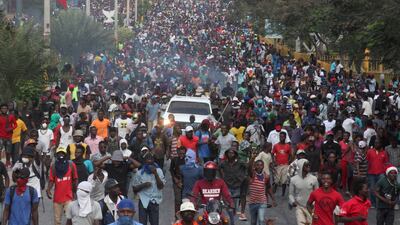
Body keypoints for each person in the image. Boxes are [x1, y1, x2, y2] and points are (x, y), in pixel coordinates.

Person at [132, 151, 166, 225]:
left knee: (154, 223)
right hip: (143, 201)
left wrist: (155, 173)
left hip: (155, 200)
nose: (150, 161)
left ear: (154, 161)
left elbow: (161, 186)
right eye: (147, 159)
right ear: (144, 161)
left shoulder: (159, 171)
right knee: (142, 223)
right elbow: (134, 189)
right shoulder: (139, 173)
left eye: (151, 159)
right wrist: (143, 185)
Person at [47, 146, 78, 225]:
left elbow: (75, 179)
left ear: (65, 154)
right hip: (57, 198)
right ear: (56, 155)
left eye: (62, 153)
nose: (61, 155)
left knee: (70, 218)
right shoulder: (53, 166)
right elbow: (51, 180)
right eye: (59, 153)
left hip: (68, 196)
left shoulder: (71, 164)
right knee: (57, 221)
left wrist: (75, 192)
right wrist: (48, 189)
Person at [247, 152, 276, 225]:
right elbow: (249, 168)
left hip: (262, 202)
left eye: (261, 165)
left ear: (263, 166)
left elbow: (268, 188)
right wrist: (252, 158)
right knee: (253, 222)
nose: (259, 166)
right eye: (257, 165)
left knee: (261, 220)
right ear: (255, 166)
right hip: (252, 202)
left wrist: (273, 199)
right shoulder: (252, 175)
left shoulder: (266, 176)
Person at [288, 159, 318, 225]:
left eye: (309, 165)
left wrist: (315, 204)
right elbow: (290, 194)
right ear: (301, 166)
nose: (308, 167)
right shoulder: (293, 179)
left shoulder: (314, 178)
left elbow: (317, 193)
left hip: (311, 208)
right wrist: (292, 201)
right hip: (299, 207)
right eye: (306, 165)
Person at [366, 139, 389, 207]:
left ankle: (382, 203)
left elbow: (386, 163)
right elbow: (367, 162)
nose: (376, 144)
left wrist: (386, 173)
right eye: (375, 143)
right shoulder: (369, 151)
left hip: (381, 173)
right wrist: (366, 173)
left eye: (378, 143)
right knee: (372, 189)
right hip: (371, 173)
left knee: (382, 189)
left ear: (380, 144)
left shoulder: (384, 153)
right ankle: (373, 203)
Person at [272, 132, 292, 196]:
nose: (282, 138)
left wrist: (289, 161)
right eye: (280, 136)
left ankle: (283, 194)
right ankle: (273, 193)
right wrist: (274, 161)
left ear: (285, 137)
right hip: (278, 165)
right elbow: (272, 154)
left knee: (284, 180)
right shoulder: (276, 145)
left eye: (283, 137)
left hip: (285, 165)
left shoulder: (288, 146)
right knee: (276, 180)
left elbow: (291, 155)